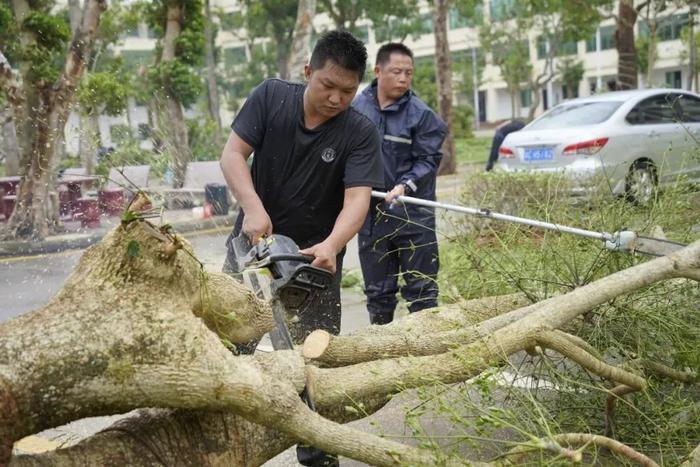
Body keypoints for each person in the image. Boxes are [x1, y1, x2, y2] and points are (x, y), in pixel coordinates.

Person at [220, 30, 383, 348]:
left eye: (348, 91)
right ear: (308, 72)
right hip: (253, 244)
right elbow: (232, 154)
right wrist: (253, 208)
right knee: (228, 345)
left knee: (312, 356)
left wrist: (332, 245)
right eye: (328, 86)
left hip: (314, 262)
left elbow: (357, 199)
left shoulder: (361, 132)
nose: (336, 99)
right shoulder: (271, 97)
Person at [352, 43, 447, 325]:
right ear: (378, 71)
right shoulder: (356, 108)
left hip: (412, 216)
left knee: (422, 292)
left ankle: (428, 351)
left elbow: (428, 161)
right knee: (378, 294)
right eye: (396, 72)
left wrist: (406, 185)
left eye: (409, 72)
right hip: (371, 216)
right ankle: (383, 354)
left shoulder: (423, 116)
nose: (404, 78)